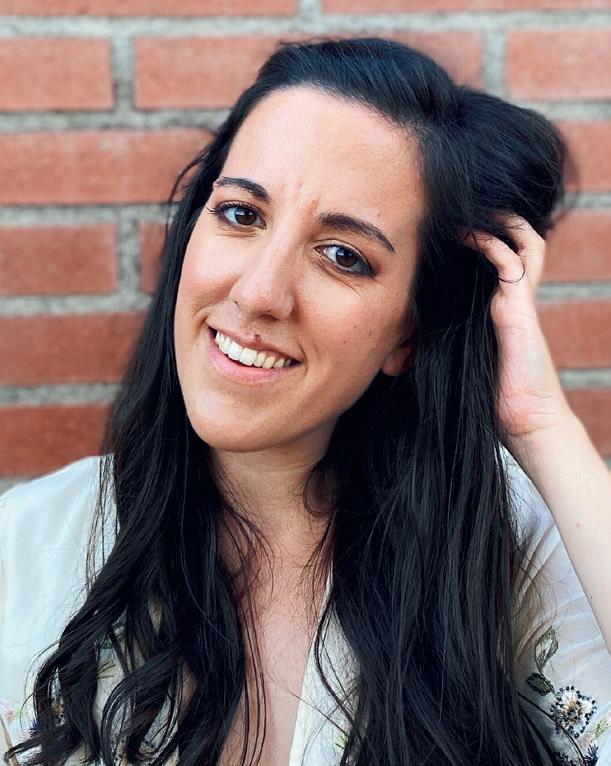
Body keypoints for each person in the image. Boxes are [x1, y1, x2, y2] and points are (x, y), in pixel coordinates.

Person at [1, 37, 610, 766]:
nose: (259, 291)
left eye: (343, 255)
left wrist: (541, 424)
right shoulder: (29, 547)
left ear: (408, 334)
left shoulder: (498, 548)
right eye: (240, 214)